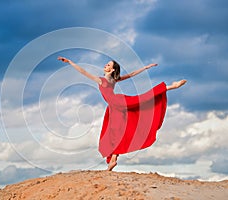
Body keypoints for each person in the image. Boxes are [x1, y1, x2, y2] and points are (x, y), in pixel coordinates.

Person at [58, 56, 187, 171]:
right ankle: (113, 159)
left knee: (140, 99)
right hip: (114, 108)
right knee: (115, 131)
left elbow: (84, 72)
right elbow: (131, 74)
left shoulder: (102, 80)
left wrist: (70, 62)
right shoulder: (113, 80)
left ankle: (169, 87)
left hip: (117, 102)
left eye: (108, 65)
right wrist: (145, 67)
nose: (106, 66)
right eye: (106, 64)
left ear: (112, 70)